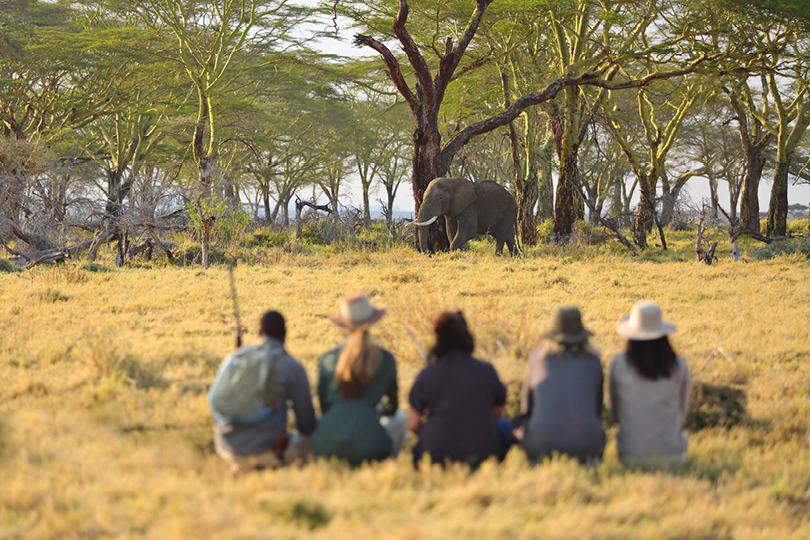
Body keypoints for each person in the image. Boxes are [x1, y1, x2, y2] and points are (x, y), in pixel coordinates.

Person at [209, 310, 316, 473]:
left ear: (259, 333)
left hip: (225, 447)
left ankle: (240, 465)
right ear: (285, 335)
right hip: (268, 449)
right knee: (313, 444)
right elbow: (307, 424)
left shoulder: (237, 357)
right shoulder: (292, 366)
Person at [310, 292, 407, 466]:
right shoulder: (385, 359)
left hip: (326, 445)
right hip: (371, 447)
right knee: (401, 419)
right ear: (372, 321)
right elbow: (391, 408)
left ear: (343, 323)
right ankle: (390, 463)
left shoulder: (328, 359)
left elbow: (324, 406)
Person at [408, 311, 512, 468]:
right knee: (504, 426)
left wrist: (433, 433)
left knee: (416, 449)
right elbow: (498, 413)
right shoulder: (486, 370)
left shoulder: (427, 374)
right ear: (467, 336)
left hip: (436, 452)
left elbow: (412, 424)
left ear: (438, 339)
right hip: (481, 450)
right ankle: (496, 466)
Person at [514, 306, 605, 464]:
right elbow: (596, 409)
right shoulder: (593, 361)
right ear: (582, 335)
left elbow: (526, 408)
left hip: (540, 445)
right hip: (588, 446)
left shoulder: (537, 357)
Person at [609, 301, 691, 468]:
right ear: (663, 336)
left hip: (630, 455)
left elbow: (615, 412)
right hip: (673, 456)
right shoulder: (679, 365)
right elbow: (682, 413)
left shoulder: (618, 363)